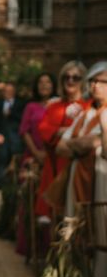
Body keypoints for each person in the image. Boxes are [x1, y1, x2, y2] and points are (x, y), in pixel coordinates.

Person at [56, 61, 107, 277]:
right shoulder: (84, 114)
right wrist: (86, 143)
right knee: (73, 227)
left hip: (101, 180)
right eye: (93, 81)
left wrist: (97, 138)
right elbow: (60, 147)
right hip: (77, 179)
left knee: (100, 230)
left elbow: (105, 150)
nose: (95, 85)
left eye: (102, 81)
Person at [34, 61, 90, 221]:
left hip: (79, 166)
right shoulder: (54, 105)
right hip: (54, 166)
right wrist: (61, 131)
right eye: (66, 77)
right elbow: (44, 129)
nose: (70, 81)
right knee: (51, 220)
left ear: (83, 81)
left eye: (76, 77)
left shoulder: (89, 106)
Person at [14, 72, 56, 256]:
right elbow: (24, 131)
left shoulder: (58, 105)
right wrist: (37, 153)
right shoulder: (31, 106)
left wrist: (48, 154)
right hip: (32, 157)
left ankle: (49, 245)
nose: (44, 85)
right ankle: (30, 245)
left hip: (54, 158)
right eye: (41, 82)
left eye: (48, 82)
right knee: (29, 199)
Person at [0, 81, 25, 186]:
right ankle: (0, 182)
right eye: (6, 91)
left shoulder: (20, 104)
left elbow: (22, 120)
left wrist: (11, 113)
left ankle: (15, 182)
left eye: (10, 91)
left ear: (14, 92)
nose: (7, 93)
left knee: (15, 160)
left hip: (16, 138)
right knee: (2, 159)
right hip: (2, 136)